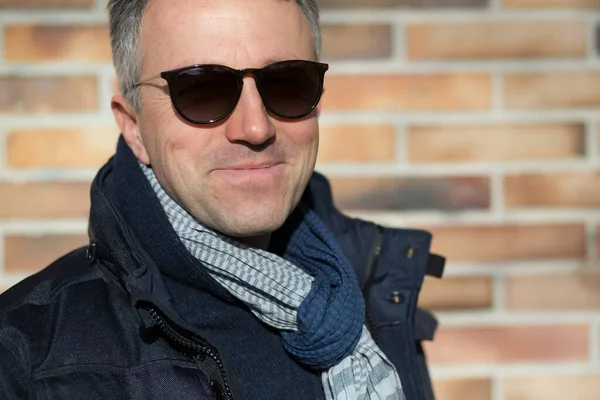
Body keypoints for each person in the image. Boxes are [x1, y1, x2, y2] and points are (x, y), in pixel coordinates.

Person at [0, 0, 444, 398]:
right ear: (132, 124)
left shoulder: (371, 295)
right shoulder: (26, 354)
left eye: (288, 82)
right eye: (202, 90)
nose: (255, 128)